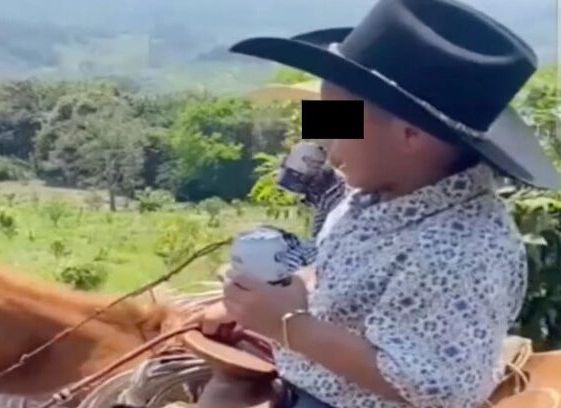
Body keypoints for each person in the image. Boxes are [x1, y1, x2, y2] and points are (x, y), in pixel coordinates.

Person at [193, 0, 561, 407]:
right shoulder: (376, 197)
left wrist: (289, 324)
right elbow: (341, 275)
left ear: (410, 136)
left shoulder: (460, 250)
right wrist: (266, 301)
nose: (328, 150)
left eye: (340, 126)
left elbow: (431, 387)